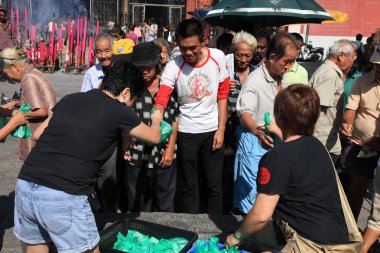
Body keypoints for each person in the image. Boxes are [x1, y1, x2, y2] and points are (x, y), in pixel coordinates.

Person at [13, 61, 163, 253]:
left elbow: (37, 134)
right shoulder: (120, 110)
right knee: (88, 250)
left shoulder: (71, 99)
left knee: (37, 245)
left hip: (27, 184)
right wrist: (156, 119)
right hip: (64, 192)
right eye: (133, 99)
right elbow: (154, 136)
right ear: (126, 92)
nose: (131, 104)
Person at [225, 84, 351, 251]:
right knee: (258, 232)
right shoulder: (318, 146)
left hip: (311, 245)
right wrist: (279, 133)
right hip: (338, 241)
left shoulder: (276, 157)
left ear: (278, 115)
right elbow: (295, 149)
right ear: (314, 117)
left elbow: (261, 216)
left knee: (249, 228)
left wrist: (235, 238)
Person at [153, 19, 230, 214]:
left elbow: (222, 95)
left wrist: (221, 129)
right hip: (187, 132)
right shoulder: (173, 66)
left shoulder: (218, 57)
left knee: (214, 185)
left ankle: (215, 227)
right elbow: (162, 97)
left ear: (203, 41)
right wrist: (156, 117)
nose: (188, 53)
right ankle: (191, 228)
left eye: (193, 48)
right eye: (183, 48)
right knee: (189, 186)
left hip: (212, 129)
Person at [234, 32, 299, 214]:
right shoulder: (254, 80)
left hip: (274, 142)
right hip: (255, 141)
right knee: (251, 198)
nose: (289, 66)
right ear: (272, 57)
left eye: (292, 61)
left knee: (270, 194)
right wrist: (257, 130)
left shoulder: (279, 77)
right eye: (286, 61)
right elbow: (244, 112)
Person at [126, 42, 178, 212]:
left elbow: (175, 119)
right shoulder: (130, 88)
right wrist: (125, 141)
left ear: (157, 65)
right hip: (137, 152)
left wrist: (170, 148)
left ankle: (165, 235)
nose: (145, 71)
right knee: (139, 205)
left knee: (165, 202)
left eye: (149, 66)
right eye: (141, 67)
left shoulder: (168, 87)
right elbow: (122, 116)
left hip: (164, 153)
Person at [339, 50, 380, 220]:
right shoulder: (361, 82)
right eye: (376, 66)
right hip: (361, 144)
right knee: (354, 187)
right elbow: (351, 110)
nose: (378, 70)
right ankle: (351, 230)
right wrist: (347, 124)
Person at [0, 47, 56, 161]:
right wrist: (16, 103)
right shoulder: (34, 72)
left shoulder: (28, 79)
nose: (7, 78)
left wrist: (18, 116)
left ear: (14, 67)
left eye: (6, 73)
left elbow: (41, 111)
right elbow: (36, 101)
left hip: (38, 137)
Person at [224, 31, 257, 213]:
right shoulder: (224, 71)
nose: (243, 59)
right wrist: (222, 86)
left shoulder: (257, 74)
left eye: (247, 55)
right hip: (227, 127)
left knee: (246, 172)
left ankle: (242, 208)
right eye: (239, 54)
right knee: (227, 170)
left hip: (248, 129)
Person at [308, 39, 356, 163]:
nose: (353, 61)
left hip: (326, 140)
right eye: (352, 57)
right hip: (322, 142)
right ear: (341, 56)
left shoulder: (329, 72)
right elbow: (315, 110)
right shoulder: (329, 74)